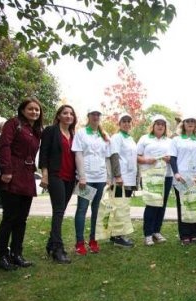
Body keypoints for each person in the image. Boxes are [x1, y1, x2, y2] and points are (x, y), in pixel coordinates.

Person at [0, 97, 43, 271]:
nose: (34, 112)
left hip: (28, 177)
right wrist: (6, 170)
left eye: (37, 110)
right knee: (9, 218)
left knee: (22, 219)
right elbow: (4, 146)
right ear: (22, 110)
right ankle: (2, 257)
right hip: (12, 175)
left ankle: (17, 254)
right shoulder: (13, 123)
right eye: (30, 109)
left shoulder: (36, 130)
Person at [39, 105, 77, 264]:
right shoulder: (51, 131)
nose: (68, 116)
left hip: (70, 178)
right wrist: (45, 175)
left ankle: (50, 243)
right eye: (65, 113)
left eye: (71, 114)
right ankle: (58, 249)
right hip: (56, 176)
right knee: (59, 211)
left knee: (60, 210)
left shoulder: (73, 134)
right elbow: (44, 153)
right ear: (59, 116)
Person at [72, 108, 110, 255]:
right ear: (88, 116)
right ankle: (79, 242)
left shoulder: (103, 135)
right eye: (93, 114)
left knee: (96, 210)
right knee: (82, 209)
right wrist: (82, 176)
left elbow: (106, 158)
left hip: (100, 178)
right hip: (86, 179)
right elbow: (78, 155)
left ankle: (93, 240)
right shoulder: (81, 133)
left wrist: (109, 177)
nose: (96, 117)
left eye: (98, 114)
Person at [137, 114, 173, 246]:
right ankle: (147, 234)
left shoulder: (169, 141)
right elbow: (137, 157)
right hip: (149, 176)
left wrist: (170, 159)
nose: (160, 126)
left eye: (162, 124)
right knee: (151, 204)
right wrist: (147, 160)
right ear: (153, 126)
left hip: (166, 176)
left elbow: (173, 158)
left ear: (165, 127)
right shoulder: (144, 138)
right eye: (157, 123)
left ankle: (156, 231)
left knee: (161, 205)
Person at [169, 114, 196, 245]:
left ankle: (195, 234)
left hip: (195, 177)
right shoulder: (176, 140)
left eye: (193, 121)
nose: (190, 123)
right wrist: (176, 173)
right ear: (183, 124)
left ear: (195, 124)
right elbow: (172, 158)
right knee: (183, 205)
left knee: (195, 205)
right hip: (181, 178)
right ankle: (184, 235)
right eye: (187, 121)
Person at [107, 113, 137, 248]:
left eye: (129, 121)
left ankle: (119, 234)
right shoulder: (117, 137)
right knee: (118, 206)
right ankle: (116, 236)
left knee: (123, 206)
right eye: (124, 121)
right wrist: (118, 175)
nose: (127, 123)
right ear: (119, 124)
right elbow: (114, 156)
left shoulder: (130, 138)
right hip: (121, 178)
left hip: (129, 178)